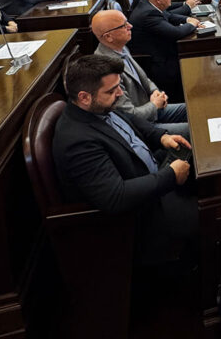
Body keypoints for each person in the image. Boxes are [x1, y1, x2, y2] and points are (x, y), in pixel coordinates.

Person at [51, 55, 196, 264]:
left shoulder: (98, 106)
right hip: (141, 215)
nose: (119, 93)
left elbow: (129, 119)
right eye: (111, 91)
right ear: (84, 97)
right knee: (212, 212)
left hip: (153, 175)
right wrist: (171, 176)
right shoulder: (77, 142)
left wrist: (161, 137)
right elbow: (116, 197)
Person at [92, 9, 189, 138]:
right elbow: (129, 115)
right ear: (108, 37)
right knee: (195, 128)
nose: (130, 26)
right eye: (123, 25)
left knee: (195, 108)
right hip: (141, 127)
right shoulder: (106, 69)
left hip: (150, 107)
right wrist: (154, 105)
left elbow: (143, 77)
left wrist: (155, 91)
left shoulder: (120, 47)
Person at [129, 0, 200, 100]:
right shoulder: (149, 14)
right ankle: (183, 99)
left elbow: (169, 16)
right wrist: (192, 25)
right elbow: (176, 33)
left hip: (157, 49)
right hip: (155, 61)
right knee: (190, 61)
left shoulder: (148, 5)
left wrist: (188, 19)